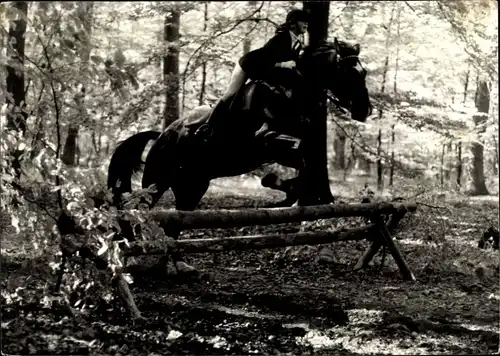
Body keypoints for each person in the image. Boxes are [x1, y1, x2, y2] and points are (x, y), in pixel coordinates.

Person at [192, 8, 309, 141]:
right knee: (231, 94)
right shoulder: (281, 38)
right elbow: (266, 61)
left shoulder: (298, 43)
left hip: (265, 72)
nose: (306, 23)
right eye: (303, 21)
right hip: (248, 65)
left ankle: (267, 125)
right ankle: (208, 126)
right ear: (293, 23)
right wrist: (283, 64)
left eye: (307, 21)